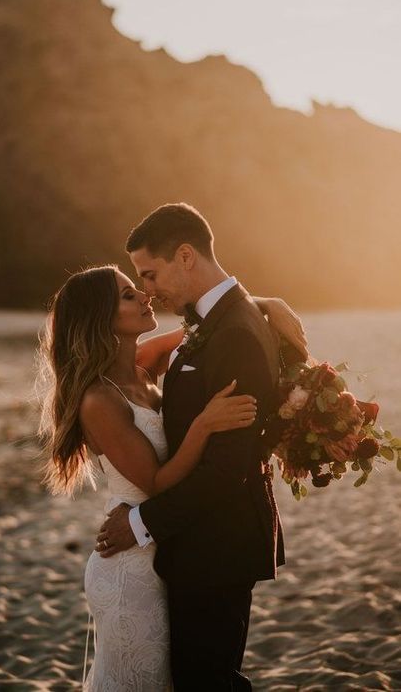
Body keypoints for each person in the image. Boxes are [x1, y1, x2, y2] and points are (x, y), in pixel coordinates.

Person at [96, 203, 307, 691]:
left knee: (208, 681)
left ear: (185, 256)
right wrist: (263, 301)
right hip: (203, 541)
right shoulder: (217, 319)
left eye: (149, 274)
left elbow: (226, 469)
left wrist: (141, 523)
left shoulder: (232, 331)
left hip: (218, 542)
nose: (147, 290)